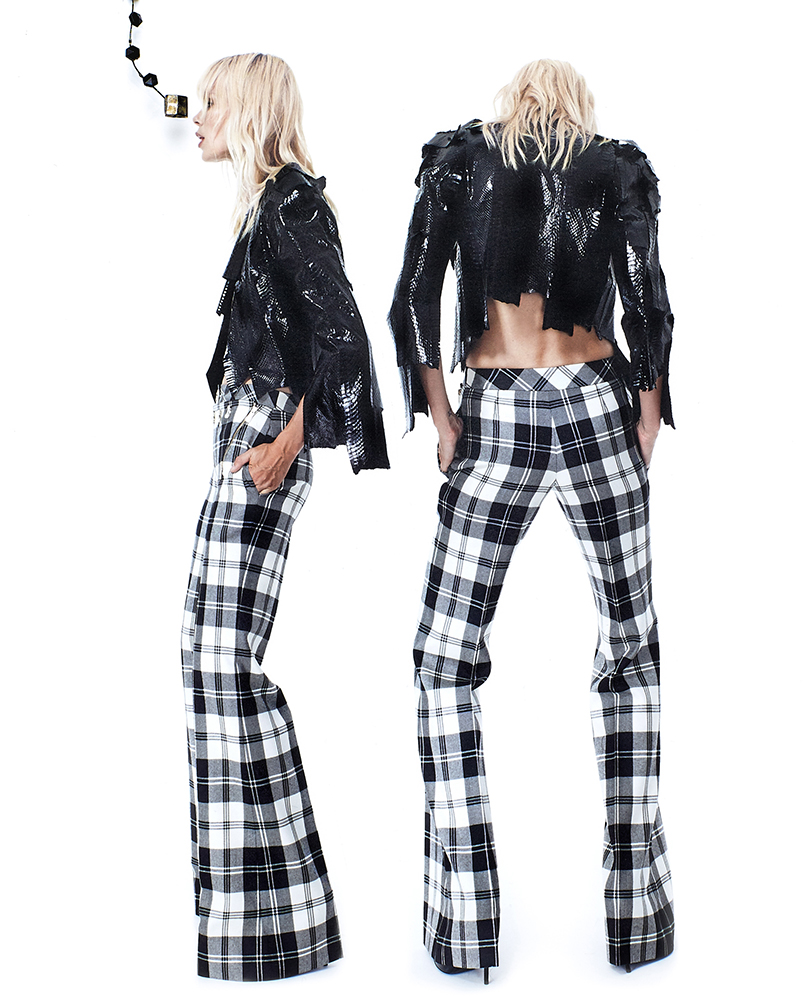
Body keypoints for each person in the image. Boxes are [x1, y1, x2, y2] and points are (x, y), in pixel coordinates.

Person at [389, 59, 674, 979]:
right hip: (596, 402)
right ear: (578, 109)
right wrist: (644, 417)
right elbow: (648, 301)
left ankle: (465, 923)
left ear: (509, 105)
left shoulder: (461, 161)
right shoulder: (613, 166)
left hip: (498, 408)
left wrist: (443, 420)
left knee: (445, 657)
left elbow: (411, 301)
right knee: (630, 649)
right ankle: (637, 926)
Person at [181, 53, 388, 982]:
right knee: (209, 658)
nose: (199, 116)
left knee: (221, 661)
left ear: (252, 110)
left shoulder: (294, 204)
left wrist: (288, 440)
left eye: (212, 103)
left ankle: (278, 918)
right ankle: (258, 922)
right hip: (250, 429)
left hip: (264, 437)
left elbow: (345, 335)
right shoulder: (271, 205)